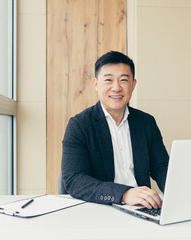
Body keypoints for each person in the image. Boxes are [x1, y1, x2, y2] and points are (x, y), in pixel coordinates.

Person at [61, 51, 169, 209]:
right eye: (109, 80)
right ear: (96, 84)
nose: (116, 87)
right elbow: (74, 179)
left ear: (133, 84)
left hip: (142, 208)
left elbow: (161, 167)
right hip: (100, 207)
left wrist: (178, 192)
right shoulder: (79, 125)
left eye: (124, 80)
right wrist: (124, 194)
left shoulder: (146, 122)